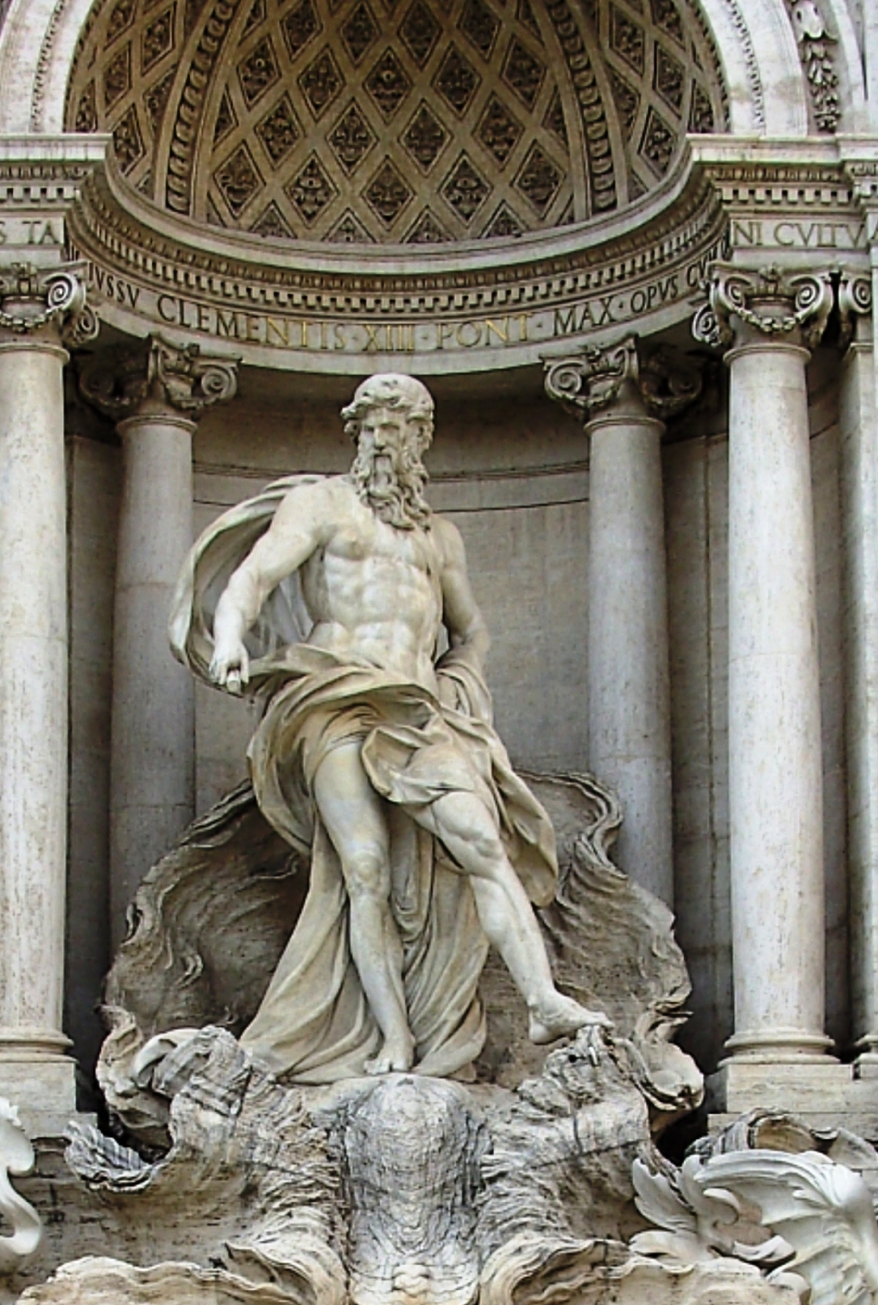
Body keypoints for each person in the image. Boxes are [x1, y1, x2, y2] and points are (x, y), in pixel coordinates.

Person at [175, 373, 604, 1082]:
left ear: (420, 441)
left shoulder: (438, 539)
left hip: (415, 709)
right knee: (364, 870)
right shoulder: (323, 506)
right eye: (371, 427)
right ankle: (393, 1039)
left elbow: (471, 631)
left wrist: (460, 685)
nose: (382, 441)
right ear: (355, 434)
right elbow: (251, 578)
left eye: (398, 429)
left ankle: (543, 1000)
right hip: (332, 698)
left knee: (481, 842)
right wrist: (229, 638)